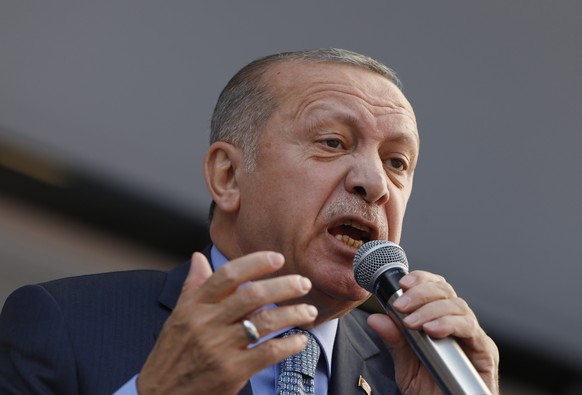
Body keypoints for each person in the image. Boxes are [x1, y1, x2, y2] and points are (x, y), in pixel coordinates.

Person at [0, 48, 499, 394]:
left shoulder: (414, 374)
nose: (374, 182)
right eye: (332, 142)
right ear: (228, 175)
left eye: (397, 162)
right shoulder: (63, 323)